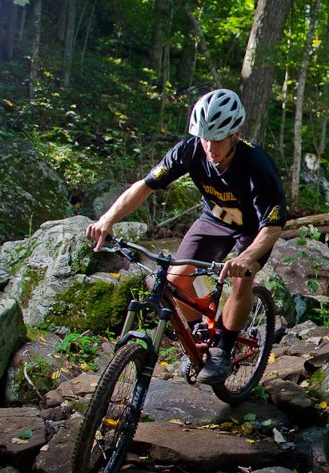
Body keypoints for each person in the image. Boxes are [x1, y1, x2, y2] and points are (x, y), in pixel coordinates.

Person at [86, 89, 288, 384]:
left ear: (235, 134)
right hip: (215, 219)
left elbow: (273, 227)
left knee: (241, 278)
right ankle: (201, 332)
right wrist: (107, 219)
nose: (210, 146)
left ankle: (222, 350)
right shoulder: (190, 150)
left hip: (255, 229)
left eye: (217, 138)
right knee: (174, 278)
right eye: (204, 137)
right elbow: (144, 186)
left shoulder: (257, 164)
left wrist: (243, 258)